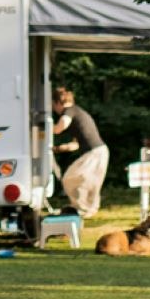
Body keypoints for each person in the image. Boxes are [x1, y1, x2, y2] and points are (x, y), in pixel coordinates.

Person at [47, 85, 110, 218]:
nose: (54, 109)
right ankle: (86, 209)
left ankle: (82, 209)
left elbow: (60, 127)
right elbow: (76, 145)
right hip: (98, 152)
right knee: (86, 181)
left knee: (70, 179)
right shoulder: (77, 111)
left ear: (58, 102)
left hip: (95, 153)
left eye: (53, 105)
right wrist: (58, 149)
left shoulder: (70, 110)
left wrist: (45, 128)